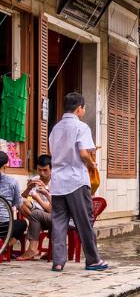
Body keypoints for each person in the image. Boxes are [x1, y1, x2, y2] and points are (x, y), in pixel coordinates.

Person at [49, 92, 108, 271]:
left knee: (58, 222)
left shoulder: (55, 128)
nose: (84, 110)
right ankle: (93, 260)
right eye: (84, 107)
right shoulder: (81, 127)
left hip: (58, 181)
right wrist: (92, 163)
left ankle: (58, 262)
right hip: (76, 180)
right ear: (79, 108)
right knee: (84, 221)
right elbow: (83, 153)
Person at [17, 155, 52, 261]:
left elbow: (51, 210)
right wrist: (28, 189)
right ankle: (37, 225)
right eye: (39, 170)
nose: (42, 173)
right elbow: (21, 197)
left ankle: (33, 248)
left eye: (45, 170)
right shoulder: (36, 179)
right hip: (38, 213)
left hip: (52, 214)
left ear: (51, 169)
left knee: (36, 214)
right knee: (21, 202)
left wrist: (42, 194)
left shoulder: (56, 182)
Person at [0, 151, 27, 250]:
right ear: (5, 165)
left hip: (5, 225)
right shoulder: (12, 181)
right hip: (6, 226)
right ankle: (5, 247)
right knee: (23, 223)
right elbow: (17, 203)